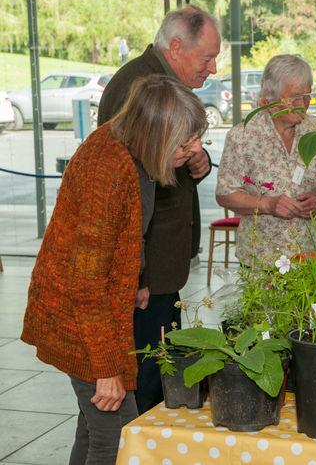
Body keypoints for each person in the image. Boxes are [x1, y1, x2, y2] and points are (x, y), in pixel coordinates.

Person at [21, 74, 208, 465]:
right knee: (119, 436)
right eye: (185, 142)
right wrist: (107, 370)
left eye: (197, 138)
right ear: (155, 133)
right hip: (79, 316)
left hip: (97, 307)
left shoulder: (134, 146)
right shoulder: (106, 170)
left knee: (94, 430)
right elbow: (86, 283)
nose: (195, 149)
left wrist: (135, 279)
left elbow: (125, 233)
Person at [98, 4, 220, 414]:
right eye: (206, 58)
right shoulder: (138, 90)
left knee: (159, 365)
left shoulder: (164, 84)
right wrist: (140, 274)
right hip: (145, 275)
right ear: (175, 47)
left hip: (159, 265)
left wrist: (197, 165)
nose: (214, 68)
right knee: (146, 378)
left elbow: (163, 166)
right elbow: (123, 198)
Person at [216, 54, 316, 266]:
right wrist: (267, 204)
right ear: (269, 97)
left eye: (307, 96)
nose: (303, 105)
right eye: (294, 97)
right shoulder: (243, 136)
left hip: (314, 254)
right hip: (262, 257)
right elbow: (225, 194)